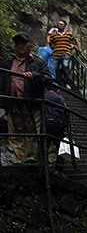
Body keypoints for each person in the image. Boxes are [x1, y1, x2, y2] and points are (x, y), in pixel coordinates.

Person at [0, 33, 53, 164]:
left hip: (31, 103)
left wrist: (35, 76)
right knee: (15, 132)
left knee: (32, 132)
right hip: (13, 103)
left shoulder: (38, 62)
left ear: (29, 47)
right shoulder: (7, 62)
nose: (20, 47)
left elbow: (48, 79)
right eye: (18, 44)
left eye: (23, 44)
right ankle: (18, 160)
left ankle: (30, 160)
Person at [47, 20, 81, 87]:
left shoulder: (68, 34)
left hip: (65, 53)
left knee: (65, 67)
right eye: (59, 24)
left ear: (65, 26)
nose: (60, 25)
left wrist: (79, 48)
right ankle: (57, 82)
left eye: (62, 24)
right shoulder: (54, 35)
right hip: (56, 53)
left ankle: (66, 83)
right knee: (56, 68)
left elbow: (75, 40)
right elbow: (50, 43)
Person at [44, 87, 67, 169]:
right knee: (60, 147)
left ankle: (43, 165)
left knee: (44, 145)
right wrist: (66, 127)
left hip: (45, 123)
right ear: (58, 91)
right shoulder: (59, 98)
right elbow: (64, 112)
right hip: (56, 124)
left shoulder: (44, 97)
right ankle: (59, 168)